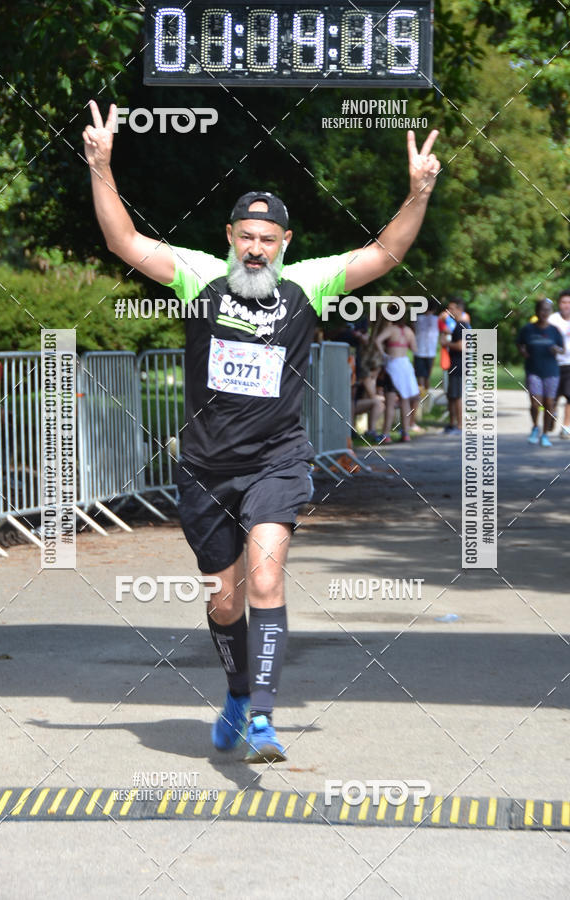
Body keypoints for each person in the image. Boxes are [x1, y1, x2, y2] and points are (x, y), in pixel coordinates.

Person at [83, 100, 440, 763]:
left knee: (268, 582)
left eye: (266, 238)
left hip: (277, 462)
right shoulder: (200, 278)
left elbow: (386, 250)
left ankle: (265, 722)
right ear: (230, 236)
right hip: (205, 468)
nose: (255, 247)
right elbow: (123, 243)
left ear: (285, 244)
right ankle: (240, 695)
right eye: (246, 236)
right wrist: (102, 166)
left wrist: (417, 193)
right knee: (225, 600)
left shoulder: (309, 285)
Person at [517, 298, 564, 447]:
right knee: (535, 403)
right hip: (533, 370)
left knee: (549, 403)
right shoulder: (527, 329)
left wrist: (557, 350)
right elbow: (519, 343)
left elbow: (562, 349)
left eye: (547, 310)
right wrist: (522, 350)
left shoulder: (554, 330)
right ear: (537, 311)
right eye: (542, 310)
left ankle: (545, 434)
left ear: (550, 312)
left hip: (551, 371)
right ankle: (535, 427)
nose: (544, 313)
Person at [374, 312, 420, 443]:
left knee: (390, 402)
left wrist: (383, 354)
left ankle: (385, 435)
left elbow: (377, 340)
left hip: (393, 365)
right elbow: (415, 348)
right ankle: (405, 433)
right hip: (405, 366)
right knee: (405, 400)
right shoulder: (408, 331)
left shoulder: (390, 329)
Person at [442, 298, 470, 434]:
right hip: (456, 364)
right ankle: (452, 423)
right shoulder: (460, 326)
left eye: (452, 308)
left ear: (459, 309)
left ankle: (459, 425)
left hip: (458, 365)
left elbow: (461, 346)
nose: (449, 311)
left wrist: (446, 344)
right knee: (451, 395)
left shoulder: (461, 326)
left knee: (456, 395)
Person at [548, 289, 570, 438]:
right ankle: (552, 413)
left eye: (569, 302)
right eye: (563, 302)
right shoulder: (552, 320)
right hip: (553, 365)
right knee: (551, 398)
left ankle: (566, 427)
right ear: (559, 304)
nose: (566, 305)